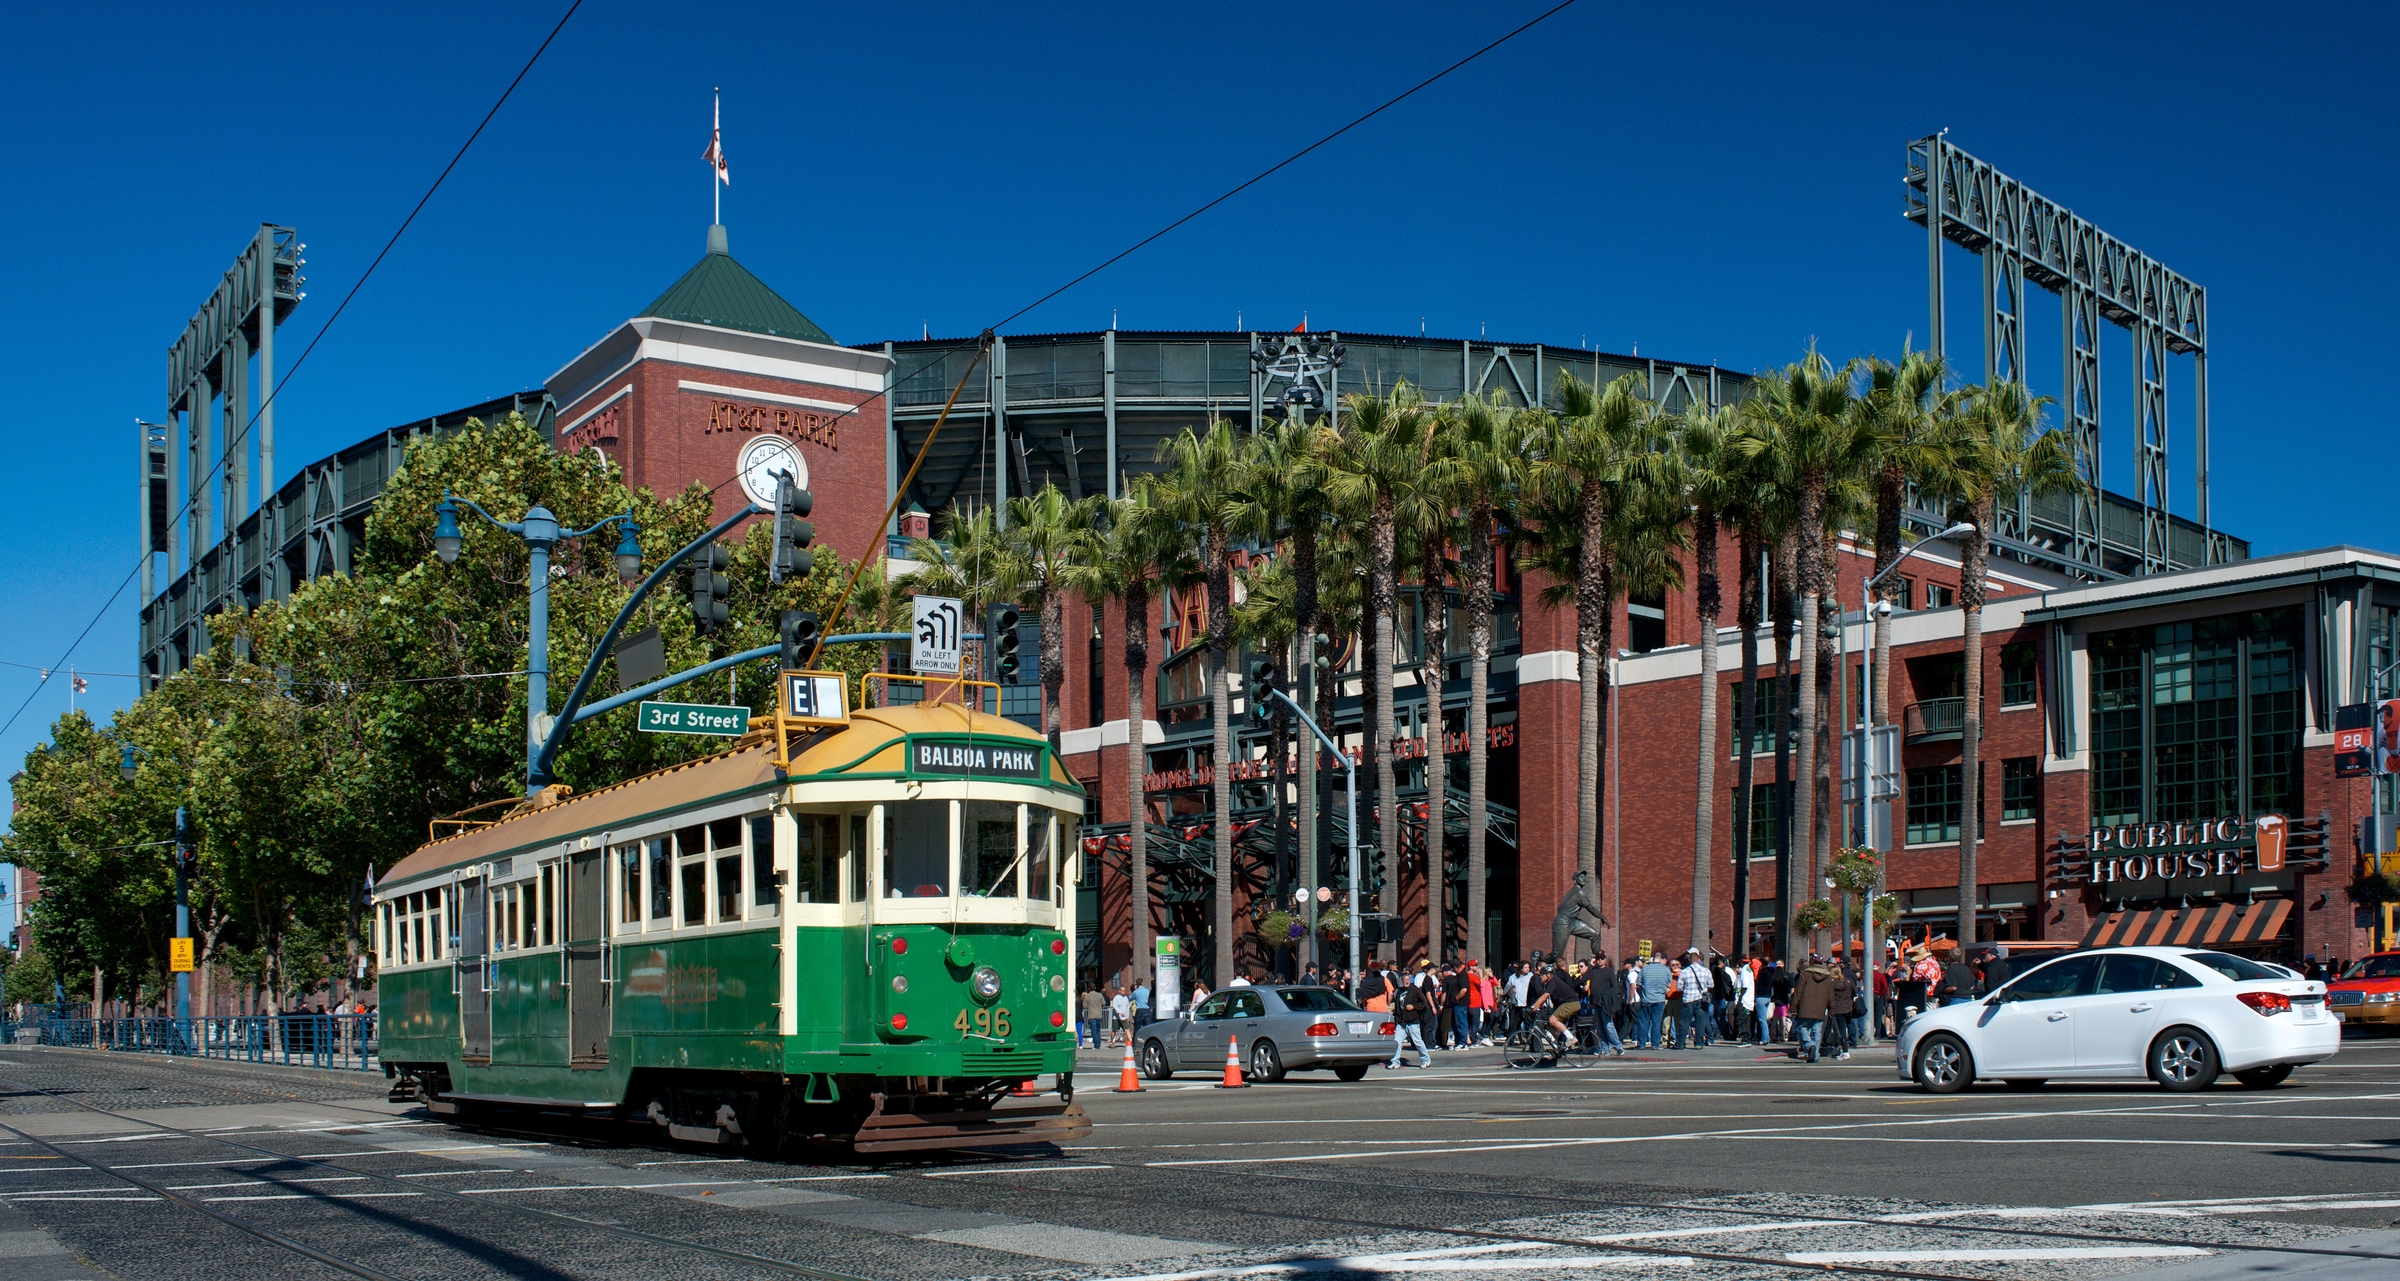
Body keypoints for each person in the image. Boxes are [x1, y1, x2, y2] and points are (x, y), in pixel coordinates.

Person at [1790, 954, 1839, 1063]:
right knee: (1817, 1031)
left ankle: (1809, 1045)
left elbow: (1798, 992)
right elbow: (1831, 995)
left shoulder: (1805, 974)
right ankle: (1815, 1055)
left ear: (1812, 961)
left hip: (1805, 1006)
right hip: (1820, 1007)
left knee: (1801, 1027)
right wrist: (1831, 1009)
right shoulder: (1827, 976)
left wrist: (1793, 1007)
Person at [1532, 961, 1582, 1060]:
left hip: (1571, 1003)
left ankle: (1571, 1038)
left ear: (1549, 975)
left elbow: (1545, 996)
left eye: (1543, 975)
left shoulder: (1553, 981)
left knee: (1553, 1020)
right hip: (1564, 1004)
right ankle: (1556, 1048)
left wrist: (1533, 1007)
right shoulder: (1549, 982)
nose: (1541, 977)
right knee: (1550, 1026)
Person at [1388, 974, 1434, 1069]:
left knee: (1417, 1041)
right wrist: (1395, 1013)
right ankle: (1395, 1062)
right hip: (1401, 1022)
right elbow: (1398, 1005)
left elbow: (1423, 1002)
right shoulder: (1399, 991)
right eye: (1404, 979)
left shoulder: (1415, 989)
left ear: (1410, 980)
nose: (1406, 981)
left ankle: (1426, 1059)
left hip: (1412, 1021)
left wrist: (1414, 1007)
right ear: (1401, 981)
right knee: (1397, 1042)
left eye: (1408, 979)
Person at [1585, 953, 1625, 1055]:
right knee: (1600, 1027)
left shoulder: (1609, 971)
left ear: (1605, 959)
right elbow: (1585, 977)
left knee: (1608, 1025)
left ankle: (1618, 1046)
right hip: (1595, 1003)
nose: (1599, 960)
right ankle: (1604, 1048)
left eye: (1601, 958)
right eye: (1598, 959)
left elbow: (1615, 987)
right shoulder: (1593, 971)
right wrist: (1590, 964)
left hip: (1606, 1003)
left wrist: (1615, 1001)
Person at [1674, 950, 1711, 1048]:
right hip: (1701, 999)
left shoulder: (1684, 972)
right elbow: (1711, 984)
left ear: (1689, 959)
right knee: (1700, 1022)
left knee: (1684, 1022)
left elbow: (1679, 987)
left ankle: (1680, 1044)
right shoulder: (1706, 971)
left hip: (1688, 999)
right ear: (1698, 959)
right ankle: (1699, 1043)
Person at [1637, 953, 1671, 1049]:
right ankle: (1655, 1044)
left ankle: (1641, 1044)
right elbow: (1669, 985)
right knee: (1656, 1022)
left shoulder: (1644, 969)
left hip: (1646, 999)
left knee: (1643, 1022)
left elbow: (1638, 985)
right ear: (1660, 960)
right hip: (1659, 999)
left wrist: (1642, 994)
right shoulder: (1665, 970)